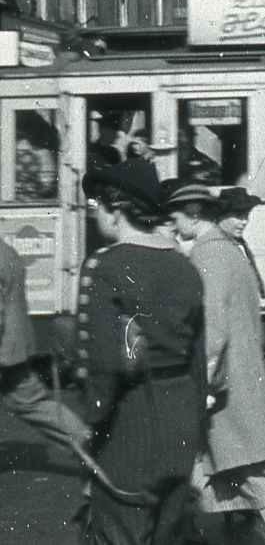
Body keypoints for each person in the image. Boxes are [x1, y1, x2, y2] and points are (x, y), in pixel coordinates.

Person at [75, 159, 206, 544]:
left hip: (130, 422)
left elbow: (102, 366)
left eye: (98, 205)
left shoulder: (104, 266)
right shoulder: (185, 267)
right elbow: (198, 360)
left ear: (116, 211)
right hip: (181, 419)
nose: (96, 214)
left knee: (120, 531)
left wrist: (91, 423)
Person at [164, 183, 265, 545]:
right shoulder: (231, 254)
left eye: (175, 217)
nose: (173, 225)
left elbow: (212, 333)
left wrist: (201, 387)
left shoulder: (209, 258)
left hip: (223, 388)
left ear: (193, 215)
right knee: (216, 469)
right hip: (242, 379)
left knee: (247, 472)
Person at [0, 222, 90, 452]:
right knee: (32, 402)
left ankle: (86, 441)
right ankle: (85, 438)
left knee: (30, 401)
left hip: (4, 347)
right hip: (15, 348)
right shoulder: (6, 251)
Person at [217, 187, 265, 299]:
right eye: (239, 216)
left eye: (246, 216)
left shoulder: (240, 244)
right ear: (221, 216)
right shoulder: (217, 246)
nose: (244, 222)